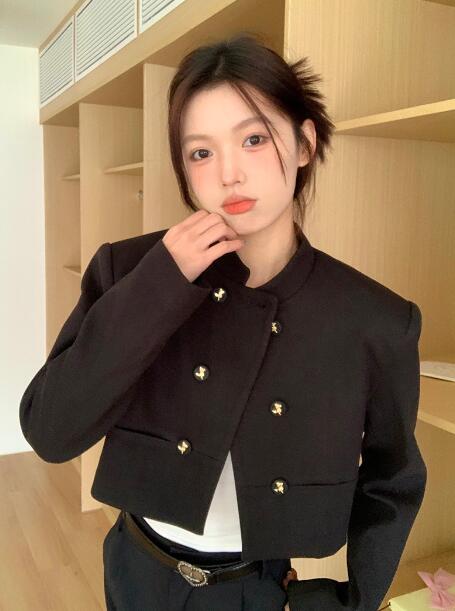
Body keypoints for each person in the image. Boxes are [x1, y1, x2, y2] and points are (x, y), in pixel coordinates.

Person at [19, 34, 426, 611]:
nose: (229, 174)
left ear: (305, 143)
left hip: (258, 588)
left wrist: (348, 602)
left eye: (254, 139)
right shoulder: (129, 269)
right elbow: (50, 432)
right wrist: (159, 285)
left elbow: (394, 480)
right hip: (135, 567)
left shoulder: (373, 318)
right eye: (200, 153)